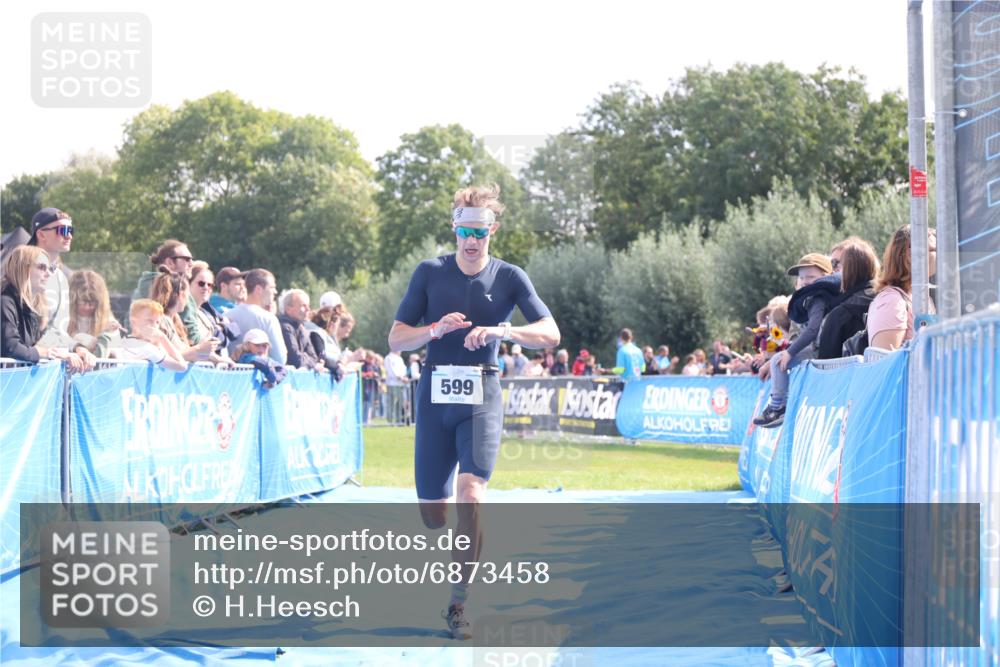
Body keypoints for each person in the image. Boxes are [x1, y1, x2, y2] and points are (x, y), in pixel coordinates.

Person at [387, 184, 559, 639]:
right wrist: (433, 329)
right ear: (453, 227)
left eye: (479, 232)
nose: (470, 240)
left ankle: (458, 602)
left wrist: (502, 331)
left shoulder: (510, 277)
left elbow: (551, 333)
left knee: (472, 496)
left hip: (482, 396)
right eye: (463, 230)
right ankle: (456, 540)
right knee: (433, 515)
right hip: (434, 396)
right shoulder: (429, 272)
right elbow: (396, 338)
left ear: (492, 231)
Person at [753, 253, 840, 428]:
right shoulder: (812, 298)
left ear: (826, 276)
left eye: (811, 277)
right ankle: (778, 405)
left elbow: (812, 330)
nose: (805, 282)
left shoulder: (818, 298)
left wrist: (790, 352)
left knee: (778, 360)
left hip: (819, 350)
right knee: (778, 360)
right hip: (817, 348)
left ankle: (778, 406)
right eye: (802, 278)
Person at [1, 245, 89, 370]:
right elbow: (10, 346)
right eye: (42, 267)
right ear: (22, 268)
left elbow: (48, 338)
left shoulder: (33, 307)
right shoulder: (4, 301)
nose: (48, 274)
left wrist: (78, 348)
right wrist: (48, 353)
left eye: (51, 268)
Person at [867, 225, 937, 351]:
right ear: (910, 253)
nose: (941, 255)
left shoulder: (922, 298)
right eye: (933, 250)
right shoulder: (892, 301)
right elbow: (884, 363)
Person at [816, 238, 879, 358]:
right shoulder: (889, 299)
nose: (833, 270)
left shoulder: (839, 315)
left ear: (847, 269)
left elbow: (826, 368)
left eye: (836, 264)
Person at [133, 239, 203, 343]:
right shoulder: (175, 290)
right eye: (187, 259)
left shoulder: (148, 285)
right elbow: (192, 337)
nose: (191, 263)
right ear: (170, 262)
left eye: (191, 259)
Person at [149, 269, 225, 364]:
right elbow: (161, 358)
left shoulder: (174, 320)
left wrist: (220, 360)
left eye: (210, 285)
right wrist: (199, 348)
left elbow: (184, 353)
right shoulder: (160, 321)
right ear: (181, 295)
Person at [27, 207, 74, 340]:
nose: (69, 236)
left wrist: (78, 348)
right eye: (63, 230)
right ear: (41, 234)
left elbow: (59, 331)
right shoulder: (23, 271)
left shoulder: (61, 277)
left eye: (70, 230)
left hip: (50, 358)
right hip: (24, 357)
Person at [226, 269, 286, 364]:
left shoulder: (226, 315)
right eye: (272, 287)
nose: (275, 292)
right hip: (260, 377)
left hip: (231, 376)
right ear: (258, 289)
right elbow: (279, 358)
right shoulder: (269, 319)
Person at [112, 299, 189, 371]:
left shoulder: (124, 341)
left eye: (157, 322)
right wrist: (162, 338)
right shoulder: (147, 348)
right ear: (134, 322)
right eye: (149, 321)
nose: (154, 326)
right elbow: (182, 366)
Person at [67, 269, 123, 358]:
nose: (87, 307)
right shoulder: (62, 318)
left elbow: (117, 356)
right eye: (82, 301)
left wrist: (107, 336)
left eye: (92, 302)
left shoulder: (109, 323)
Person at [189, 261, 235, 359]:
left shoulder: (205, 312)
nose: (206, 287)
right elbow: (201, 346)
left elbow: (234, 330)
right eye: (201, 283)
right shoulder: (185, 312)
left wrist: (220, 329)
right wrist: (220, 330)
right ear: (188, 284)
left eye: (210, 285)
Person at [278, 288, 324, 371]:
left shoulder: (303, 329)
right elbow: (295, 359)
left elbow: (314, 357)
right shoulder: (284, 327)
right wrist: (312, 364)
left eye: (308, 306)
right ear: (288, 308)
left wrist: (307, 360)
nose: (308, 309)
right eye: (303, 305)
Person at [384, 349, 409, 423]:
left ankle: (398, 420)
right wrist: (399, 377)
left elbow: (404, 369)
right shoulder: (388, 358)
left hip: (400, 383)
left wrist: (404, 376)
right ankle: (390, 420)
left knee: (400, 402)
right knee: (391, 403)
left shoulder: (399, 358)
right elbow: (391, 370)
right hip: (392, 383)